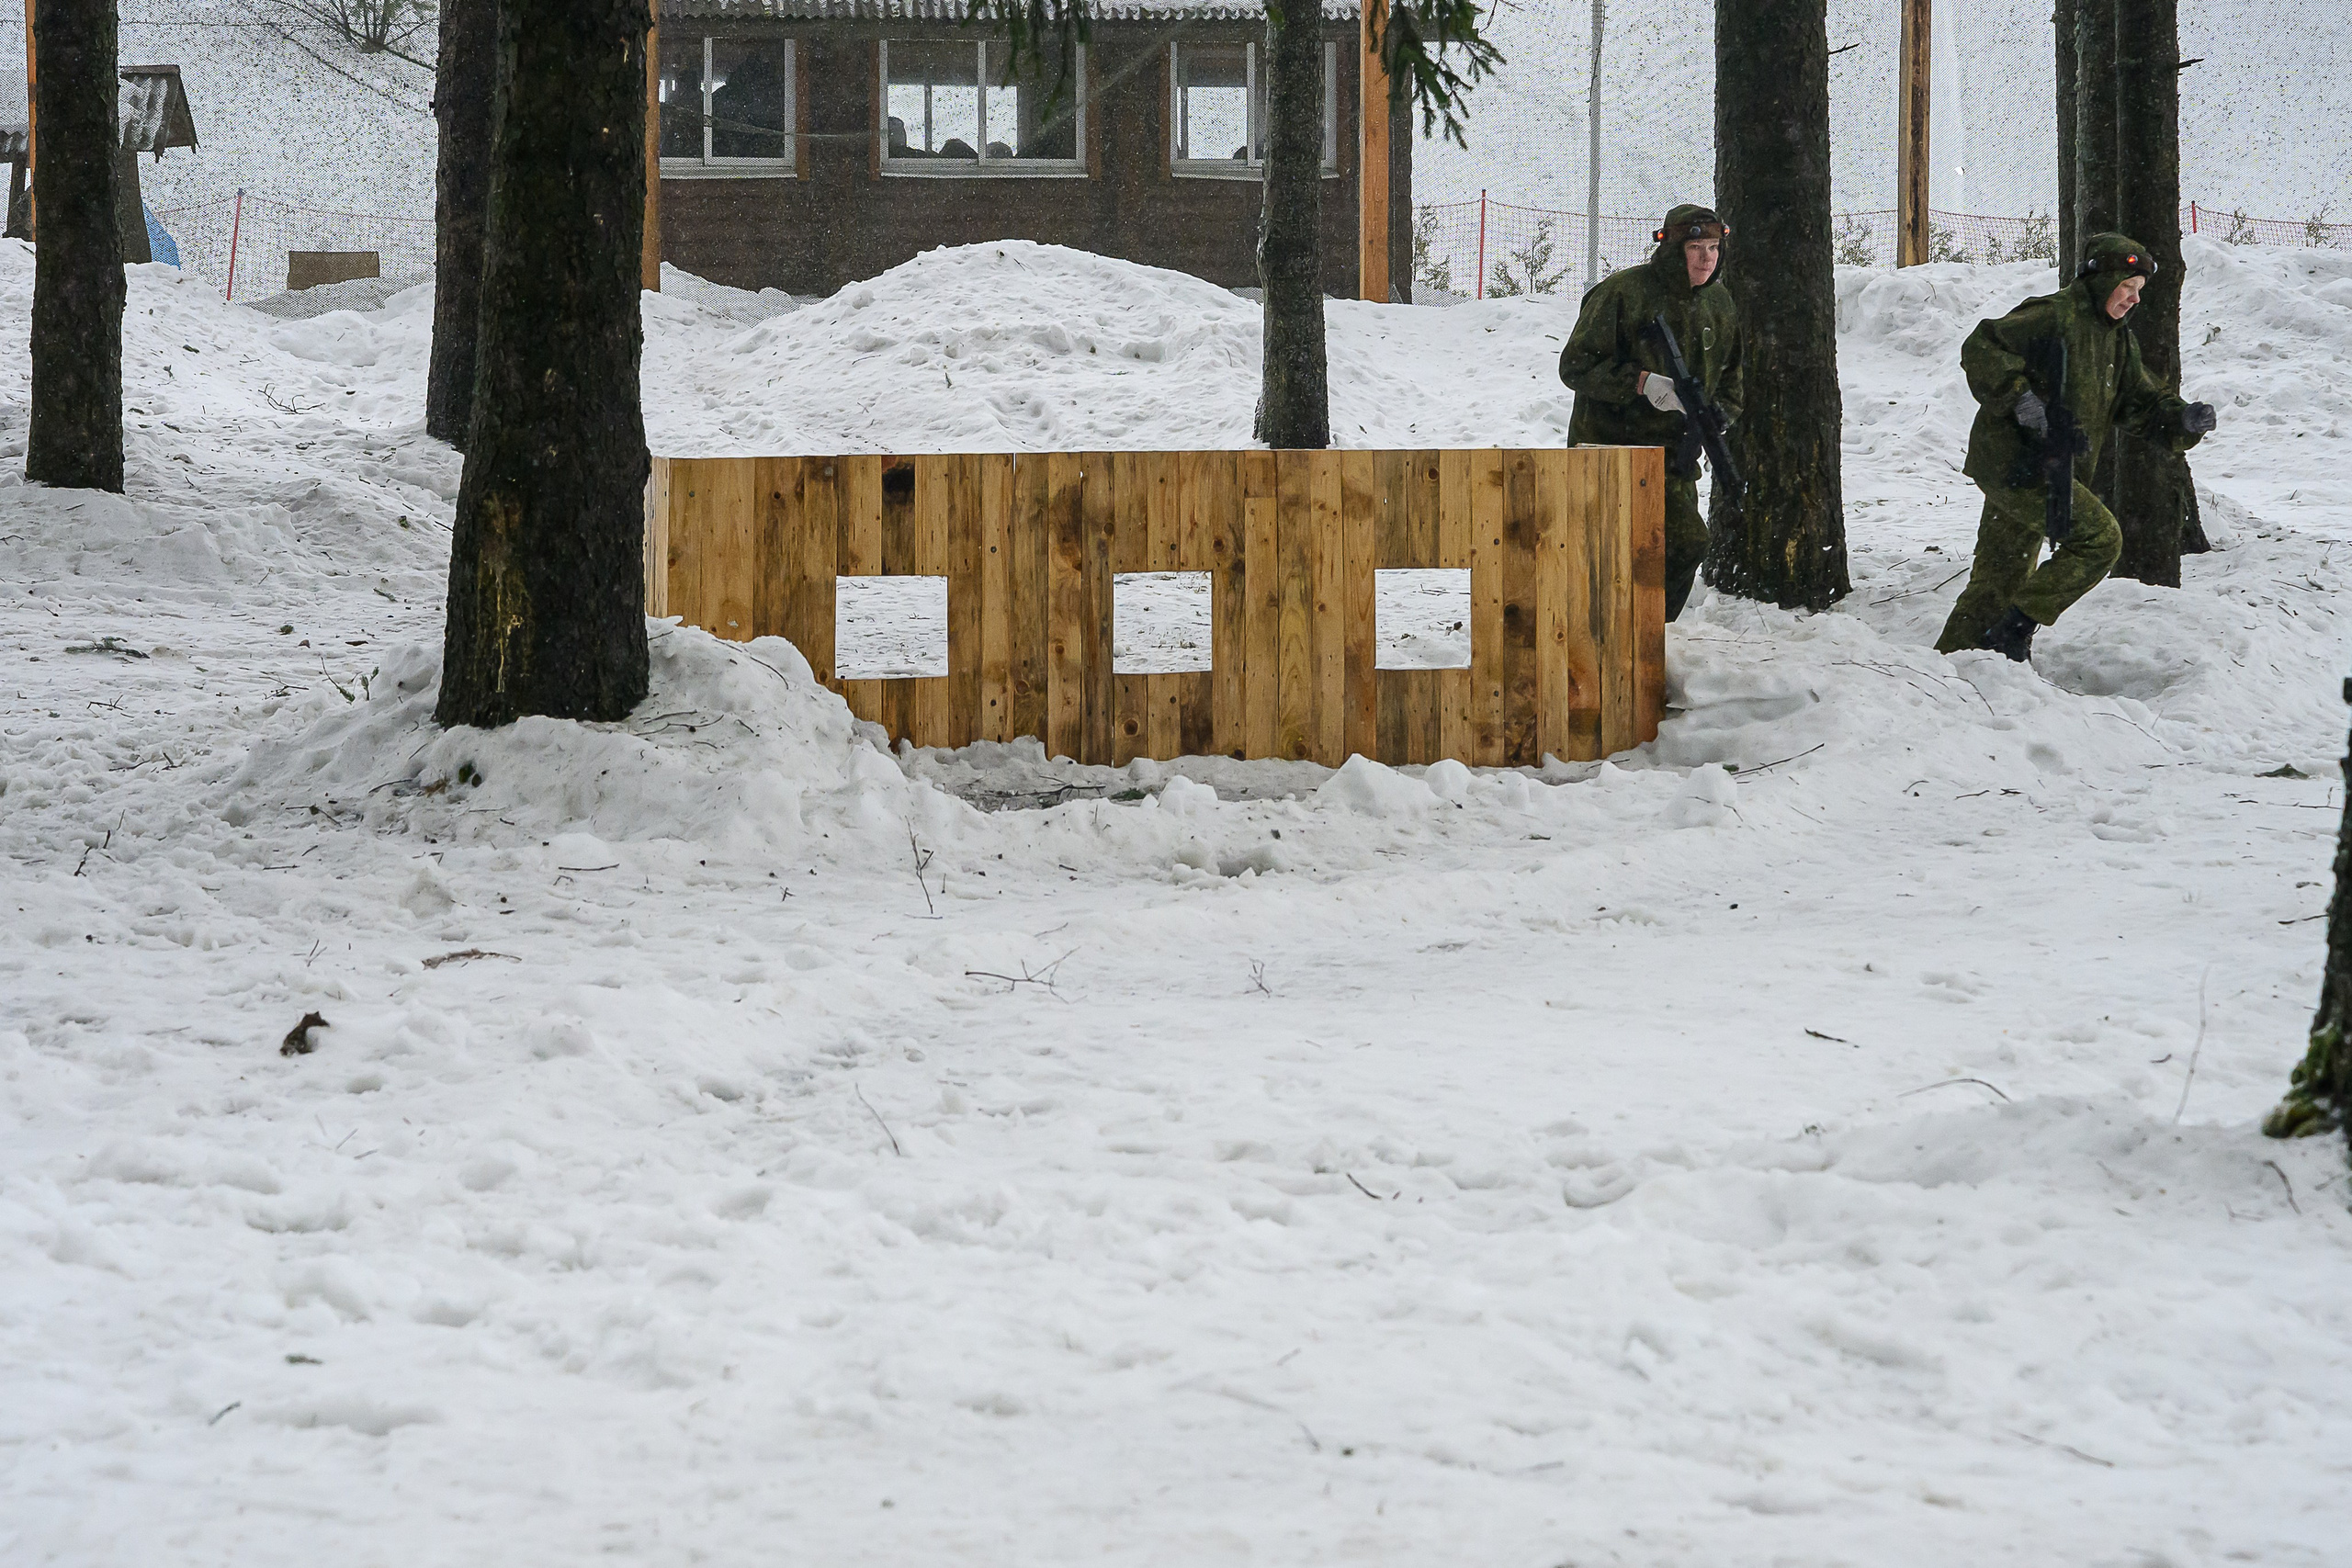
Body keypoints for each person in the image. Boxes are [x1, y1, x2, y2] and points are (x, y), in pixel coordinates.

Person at [1936, 231, 2218, 660]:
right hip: (2018, 463)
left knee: (2000, 576)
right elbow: (1983, 345)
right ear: (2102, 281)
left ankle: (1948, 665)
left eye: (2138, 290)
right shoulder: (2053, 314)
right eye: (2127, 287)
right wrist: (2021, 399)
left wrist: (2181, 419)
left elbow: (2140, 401)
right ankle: (2012, 632)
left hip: (2045, 467)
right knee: (2100, 539)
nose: (2134, 300)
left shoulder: (2116, 339)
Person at [1557, 204, 1744, 620]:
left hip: (1674, 454)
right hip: (1610, 449)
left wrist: (1720, 415)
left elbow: (1732, 375)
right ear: (1673, 249)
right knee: (1604, 554)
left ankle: (1648, 631)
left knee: (1684, 543)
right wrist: (1639, 383)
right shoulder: (1624, 293)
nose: (1706, 259)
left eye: (1714, 248)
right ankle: (1608, 633)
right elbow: (1575, 365)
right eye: (1696, 247)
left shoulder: (1719, 302)